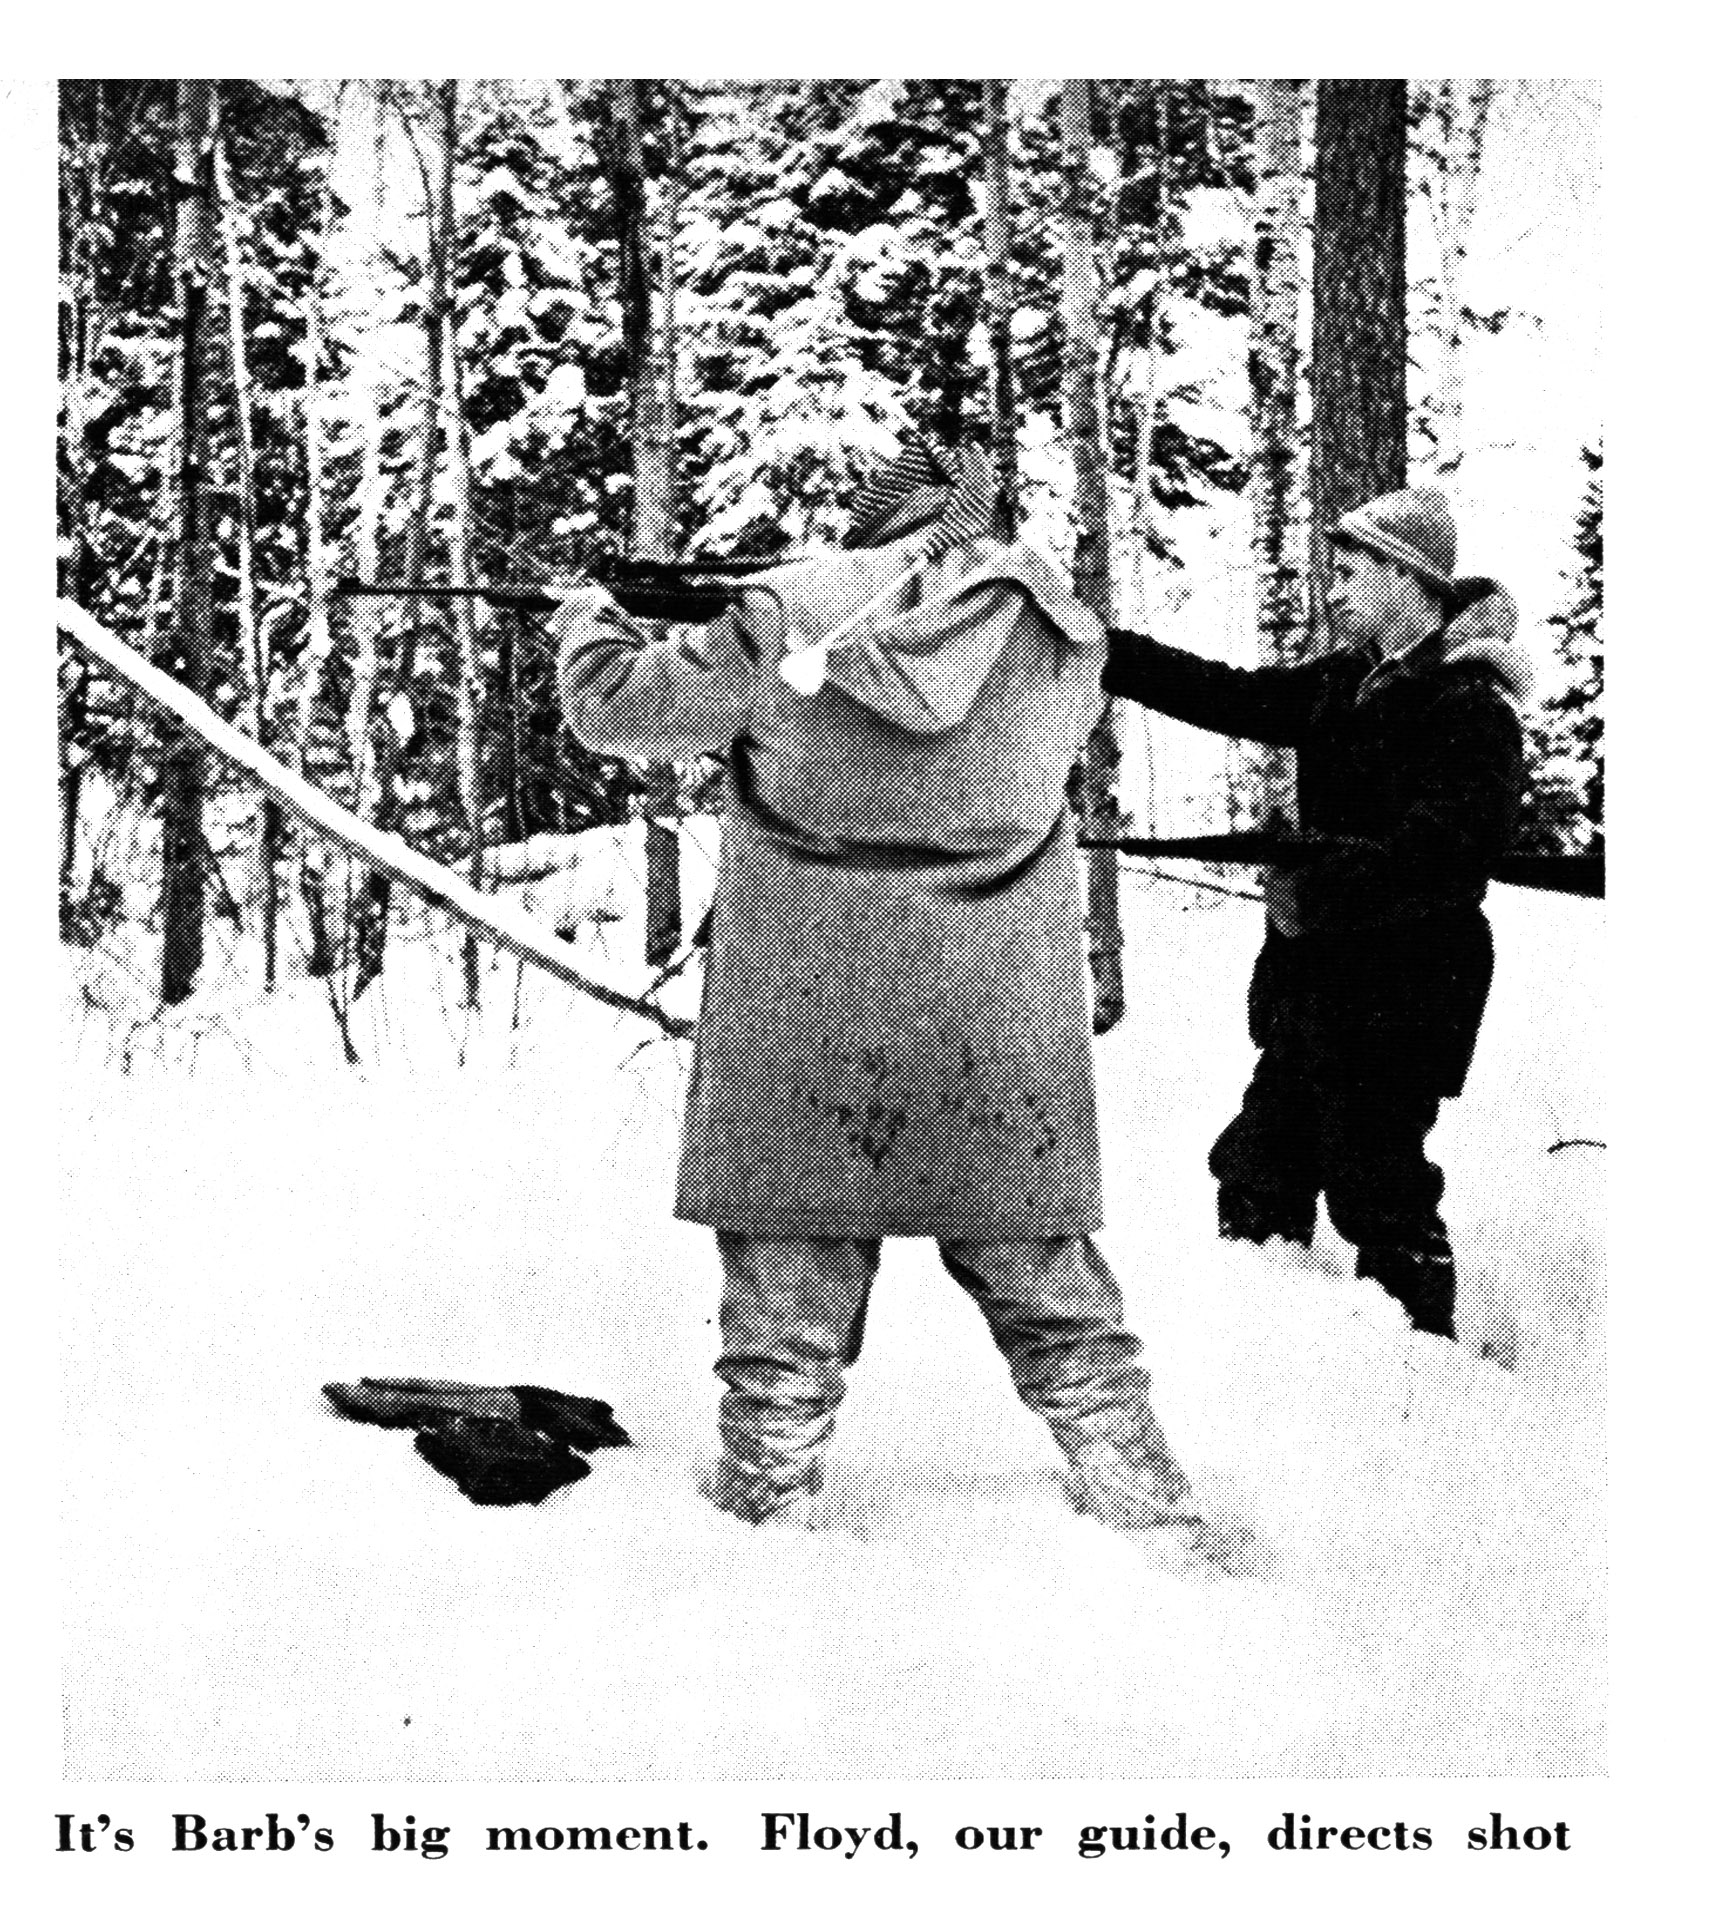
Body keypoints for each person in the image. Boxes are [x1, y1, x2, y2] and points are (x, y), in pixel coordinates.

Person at [553, 443, 1215, 1548]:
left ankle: (765, 1530)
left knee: (783, 1322)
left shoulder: (784, 615)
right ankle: (1153, 1517)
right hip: (994, 1027)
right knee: (1059, 1306)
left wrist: (591, 617)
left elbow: (613, 709)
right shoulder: (1066, 635)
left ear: (878, 522)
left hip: (806, 1020)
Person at [1101, 487, 1530, 1339]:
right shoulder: (1348, 682)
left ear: (1404, 574)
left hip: (1408, 989)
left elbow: (1448, 849)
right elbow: (1226, 696)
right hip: (1318, 982)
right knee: (1259, 1165)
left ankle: (1424, 1381)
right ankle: (1279, 1355)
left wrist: (1319, 887)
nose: (1328, 592)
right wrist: (1101, 649)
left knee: (1375, 1185)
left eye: (1344, 573)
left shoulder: (1470, 704)